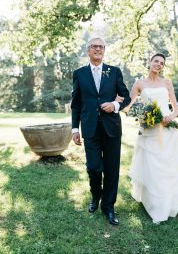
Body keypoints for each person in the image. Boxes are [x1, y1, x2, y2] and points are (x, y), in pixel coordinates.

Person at [124, 53, 178, 224]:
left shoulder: (166, 83)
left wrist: (170, 118)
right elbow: (128, 106)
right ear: (149, 62)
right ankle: (154, 201)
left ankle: (170, 199)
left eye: (162, 63)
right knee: (152, 165)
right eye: (156, 61)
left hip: (167, 130)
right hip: (149, 129)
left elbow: (175, 109)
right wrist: (142, 115)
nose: (158, 64)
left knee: (169, 164)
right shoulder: (139, 84)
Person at [71, 37, 130, 226]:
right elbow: (76, 104)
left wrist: (114, 105)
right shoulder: (79, 74)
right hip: (89, 128)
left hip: (112, 128)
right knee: (94, 167)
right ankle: (95, 195)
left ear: (104, 51)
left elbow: (127, 97)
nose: (98, 49)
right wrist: (74, 128)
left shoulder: (114, 72)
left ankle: (108, 207)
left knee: (112, 169)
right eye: (94, 46)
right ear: (88, 50)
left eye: (101, 47)